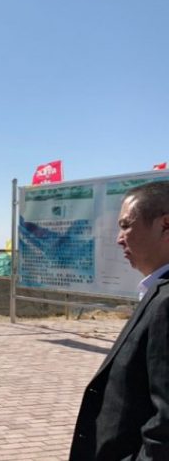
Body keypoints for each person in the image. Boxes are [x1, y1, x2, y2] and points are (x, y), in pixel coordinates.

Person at [70, 181, 169, 460]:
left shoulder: (166, 303)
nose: (119, 238)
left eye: (126, 225)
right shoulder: (157, 292)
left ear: (165, 225)